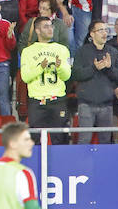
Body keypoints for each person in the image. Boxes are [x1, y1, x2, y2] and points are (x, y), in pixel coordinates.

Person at [20, 16, 71, 144]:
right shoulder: (28, 51)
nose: (50, 29)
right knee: (35, 140)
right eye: (46, 26)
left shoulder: (62, 49)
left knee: (60, 140)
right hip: (37, 101)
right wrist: (40, 67)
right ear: (37, 30)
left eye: (51, 26)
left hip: (57, 99)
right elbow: (25, 77)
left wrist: (59, 67)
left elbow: (67, 76)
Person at [72, 20, 118, 144]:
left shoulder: (113, 52)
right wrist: (94, 68)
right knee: (84, 140)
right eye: (100, 30)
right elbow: (76, 74)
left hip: (107, 106)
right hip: (86, 105)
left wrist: (109, 68)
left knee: (106, 142)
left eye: (106, 30)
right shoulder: (82, 52)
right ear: (92, 34)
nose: (104, 33)